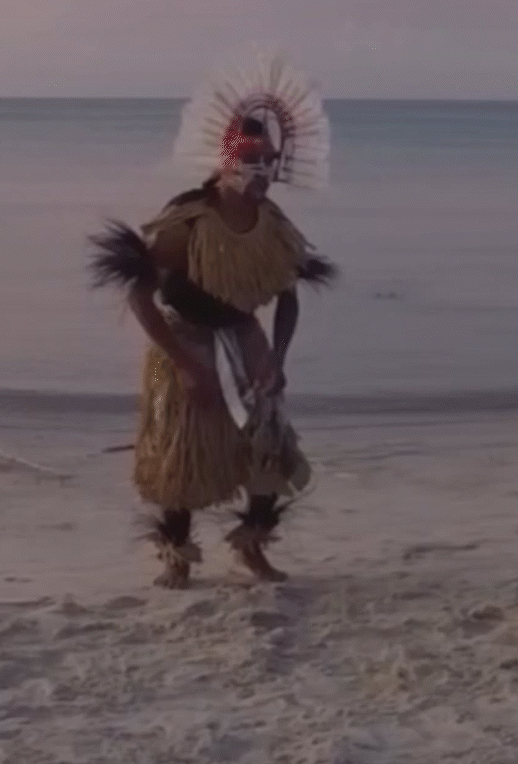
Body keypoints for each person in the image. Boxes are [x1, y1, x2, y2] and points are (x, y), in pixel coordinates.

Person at [88, 50, 337, 589]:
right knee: (184, 451)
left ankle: (252, 546)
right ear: (224, 162)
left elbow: (288, 295)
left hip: (244, 334)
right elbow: (140, 296)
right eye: (249, 160)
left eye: (268, 161)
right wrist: (183, 364)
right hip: (188, 336)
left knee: (268, 442)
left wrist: (278, 355)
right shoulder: (188, 222)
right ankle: (176, 552)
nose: (260, 172)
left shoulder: (272, 224)